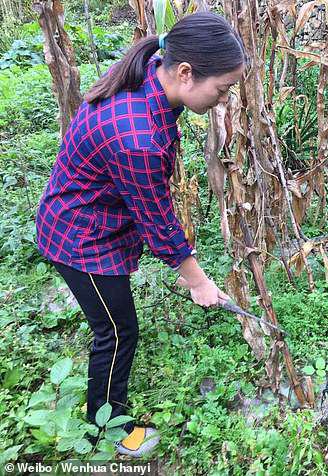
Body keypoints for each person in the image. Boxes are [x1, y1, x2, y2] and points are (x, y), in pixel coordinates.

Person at [35, 12, 245, 457]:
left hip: (94, 221)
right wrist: (198, 279)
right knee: (117, 332)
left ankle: (105, 418)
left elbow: (146, 204)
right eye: (222, 88)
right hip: (78, 239)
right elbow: (156, 219)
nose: (223, 99)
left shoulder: (152, 71)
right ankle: (107, 427)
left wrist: (188, 272)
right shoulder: (137, 137)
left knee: (116, 324)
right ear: (186, 73)